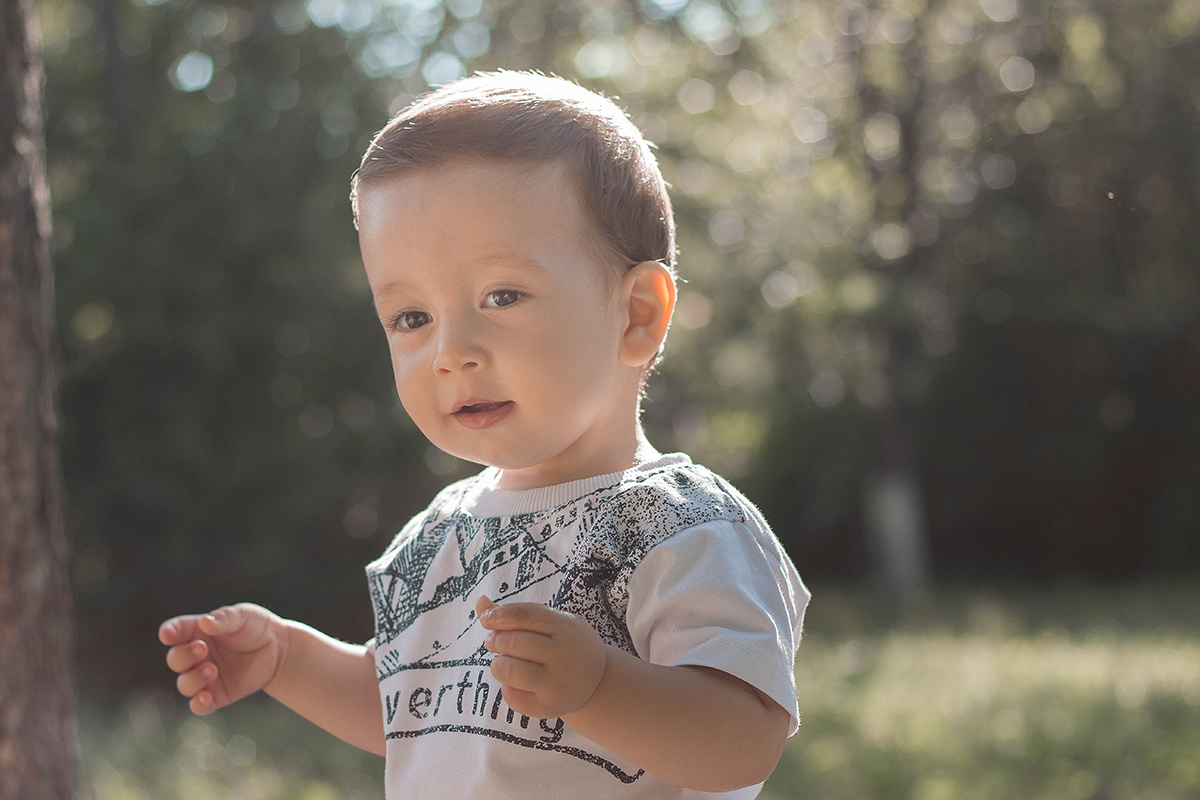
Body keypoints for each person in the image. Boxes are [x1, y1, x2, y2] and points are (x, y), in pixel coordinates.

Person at [159, 70, 808, 800]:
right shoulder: (438, 536)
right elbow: (418, 713)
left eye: (501, 296)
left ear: (636, 316)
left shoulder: (683, 528)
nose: (450, 351)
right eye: (412, 318)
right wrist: (286, 660)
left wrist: (598, 687)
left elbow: (743, 740)